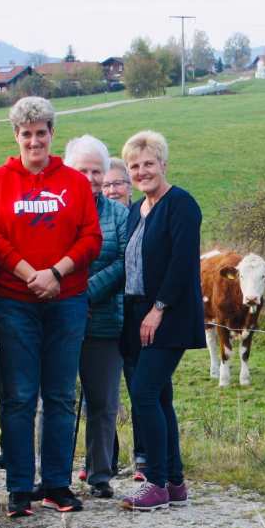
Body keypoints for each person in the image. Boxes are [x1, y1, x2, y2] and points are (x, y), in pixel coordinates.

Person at [0, 97, 102, 518]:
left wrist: (57, 273)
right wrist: (32, 273)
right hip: (14, 302)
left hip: (67, 300)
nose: (34, 140)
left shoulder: (75, 183)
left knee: (61, 395)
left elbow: (90, 238)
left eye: (41, 132)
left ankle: (56, 484)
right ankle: (18, 486)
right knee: (19, 396)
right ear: (16, 136)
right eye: (26, 133)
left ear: (52, 134)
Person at [118, 130, 206, 511]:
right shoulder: (139, 209)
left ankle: (153, 482)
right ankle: (174, 482)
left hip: (168, 314)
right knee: (161, 395)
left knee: (144, 393)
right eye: (134, 166)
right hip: (138, 312)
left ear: (164, 165)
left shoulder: (181, 204)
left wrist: (159, 308)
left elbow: (181, 261)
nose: (142, 171)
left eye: (149, 163)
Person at [64, 135, 129, 499]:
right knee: (54, 401)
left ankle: (100, 474)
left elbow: (123, 262)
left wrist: (84, 293)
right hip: (58, 320)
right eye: (81, 169)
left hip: (104, 322)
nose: (89, 177)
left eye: (96, 170)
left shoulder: (121, 215)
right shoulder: (53, 211)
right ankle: (51, 472)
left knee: (103, 403)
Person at [103, 155, 146, 479]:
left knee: (140, 386)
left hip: (133, 316)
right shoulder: (95, 219)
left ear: (130, 186)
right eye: (105, 184)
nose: (112, 189)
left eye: (118, 182)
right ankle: (106, 457)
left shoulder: (140, 216)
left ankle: (142, 456)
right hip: (102, 315)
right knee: (102, 394)